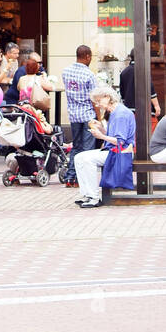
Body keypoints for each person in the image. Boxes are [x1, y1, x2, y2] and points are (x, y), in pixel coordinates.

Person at [73, 85, 136, 209]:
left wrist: (101, 136)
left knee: (86, 159)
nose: (97, 105)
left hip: (121, 153)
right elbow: (115, 136)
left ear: (107, 97)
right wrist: (101, 128)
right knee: (79, 157)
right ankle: (87, 194)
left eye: (98, 101)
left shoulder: (120, 114)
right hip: (116, 151)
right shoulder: (116, 112)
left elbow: (119, 141)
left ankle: (93, 196)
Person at [61, 45, 98, 185]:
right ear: (87, 56)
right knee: (88, 149)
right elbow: (94, 98)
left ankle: (70, 177)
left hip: (74, 115)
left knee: (76, 146)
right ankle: (84, 179)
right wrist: (99, 118)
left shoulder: (66, 72)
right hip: (88, 115)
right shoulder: (89, 75)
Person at [119, 52, 160, 118]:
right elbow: (150, 90)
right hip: (144, 109)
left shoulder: (124, 72)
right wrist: (156, 106)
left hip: (129, 109)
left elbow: (122, 93)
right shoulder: (143, 70)